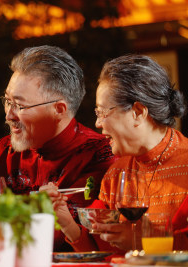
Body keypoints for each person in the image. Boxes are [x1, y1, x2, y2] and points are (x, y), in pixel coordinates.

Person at [0, 45, 116, 251]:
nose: (9, 115)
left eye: (20, 105)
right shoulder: (5, 151)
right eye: (8, 102)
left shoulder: (100, 154)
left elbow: (61, 237)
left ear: (58, 110)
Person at [43, 54, 188, 252]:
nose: (97, 123)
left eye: (102, 112)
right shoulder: (116, 174)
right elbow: (102, 252)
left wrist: (142, 241)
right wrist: (66, 222)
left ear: (137, 112)